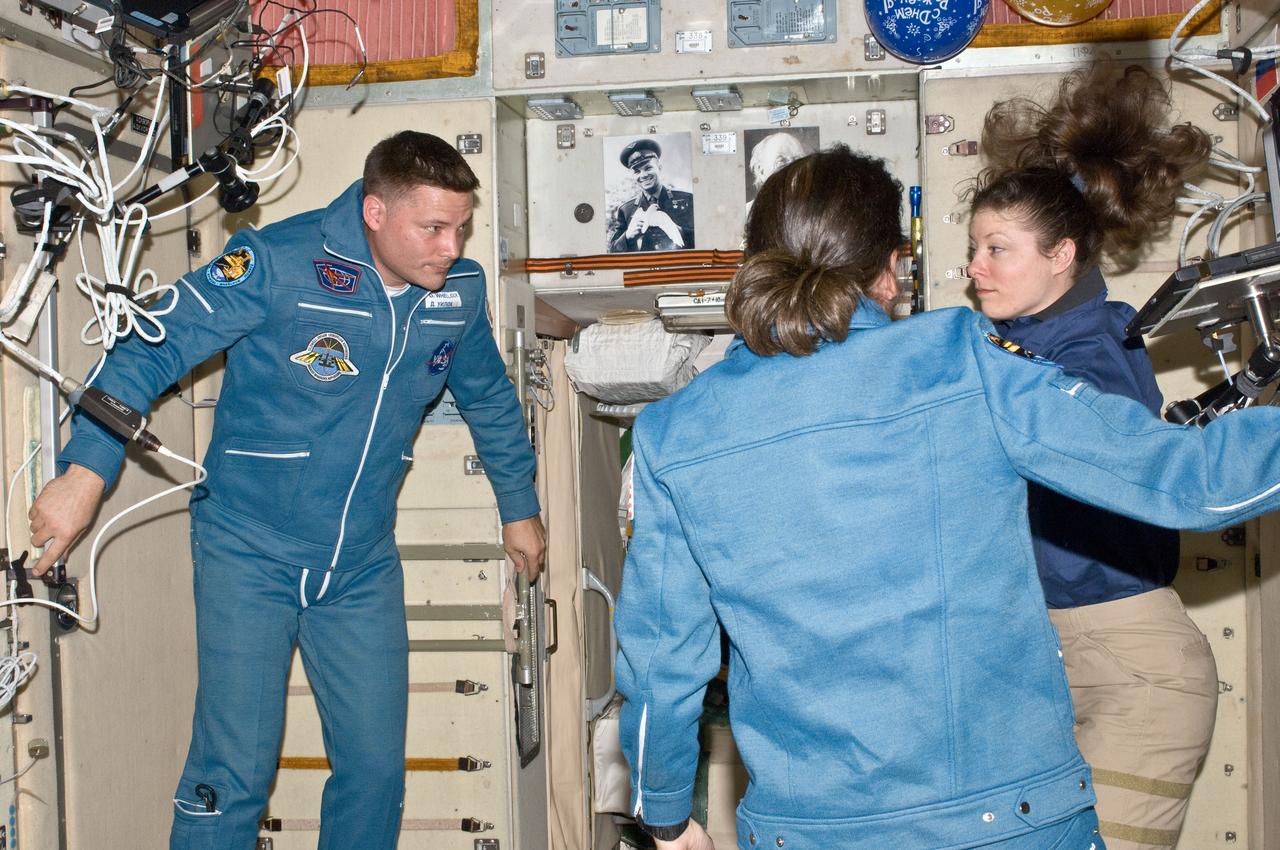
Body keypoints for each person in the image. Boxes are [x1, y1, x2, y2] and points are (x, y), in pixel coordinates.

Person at [613, 145, 1280, 850]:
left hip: (809, 830)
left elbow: (660, 662)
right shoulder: (964, 358)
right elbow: (1188, 480)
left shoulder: (672, 434)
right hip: (1008, 822)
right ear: (892, 269)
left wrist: (662, 812)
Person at [27, 131, 546, 850]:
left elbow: (488, 397)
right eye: (432, 227)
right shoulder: (275, 263)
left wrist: (520, 508)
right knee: (234, 770)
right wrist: (86, 471)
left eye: (460, 227)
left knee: (373, 773)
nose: (451, 246)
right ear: (373, 212)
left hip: (360, 563)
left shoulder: (457, 293)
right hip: (250, 551)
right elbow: (154, 345)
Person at [967, 65, 1215, 850]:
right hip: (1055, 656)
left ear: (1061, 254)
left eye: (998, 250)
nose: (975, 268)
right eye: (975, 248)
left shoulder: (1088, 366)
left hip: (1135, 666)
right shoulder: (1027, 345)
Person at [608, 137, 695, 253]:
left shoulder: (687, 199)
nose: (643, 175)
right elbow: (613, 251)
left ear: (659, 168)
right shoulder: (626, 210)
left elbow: (703, 238)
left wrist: (677, 229)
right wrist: (628, 236)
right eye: (637, 171)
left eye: (648, 168)